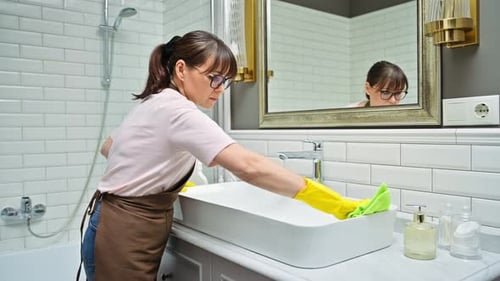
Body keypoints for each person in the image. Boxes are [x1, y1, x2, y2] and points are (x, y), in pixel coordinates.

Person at [79, 30, 390, 281]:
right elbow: (249, 167)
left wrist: (159, 173)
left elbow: (109, 145)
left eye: (225, 81)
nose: (220, 88)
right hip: (124, 232)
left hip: (110, 220)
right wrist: (331, 202)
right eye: (214, 77)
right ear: (181, 69)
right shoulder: (178, 110)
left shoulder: (156, 101)